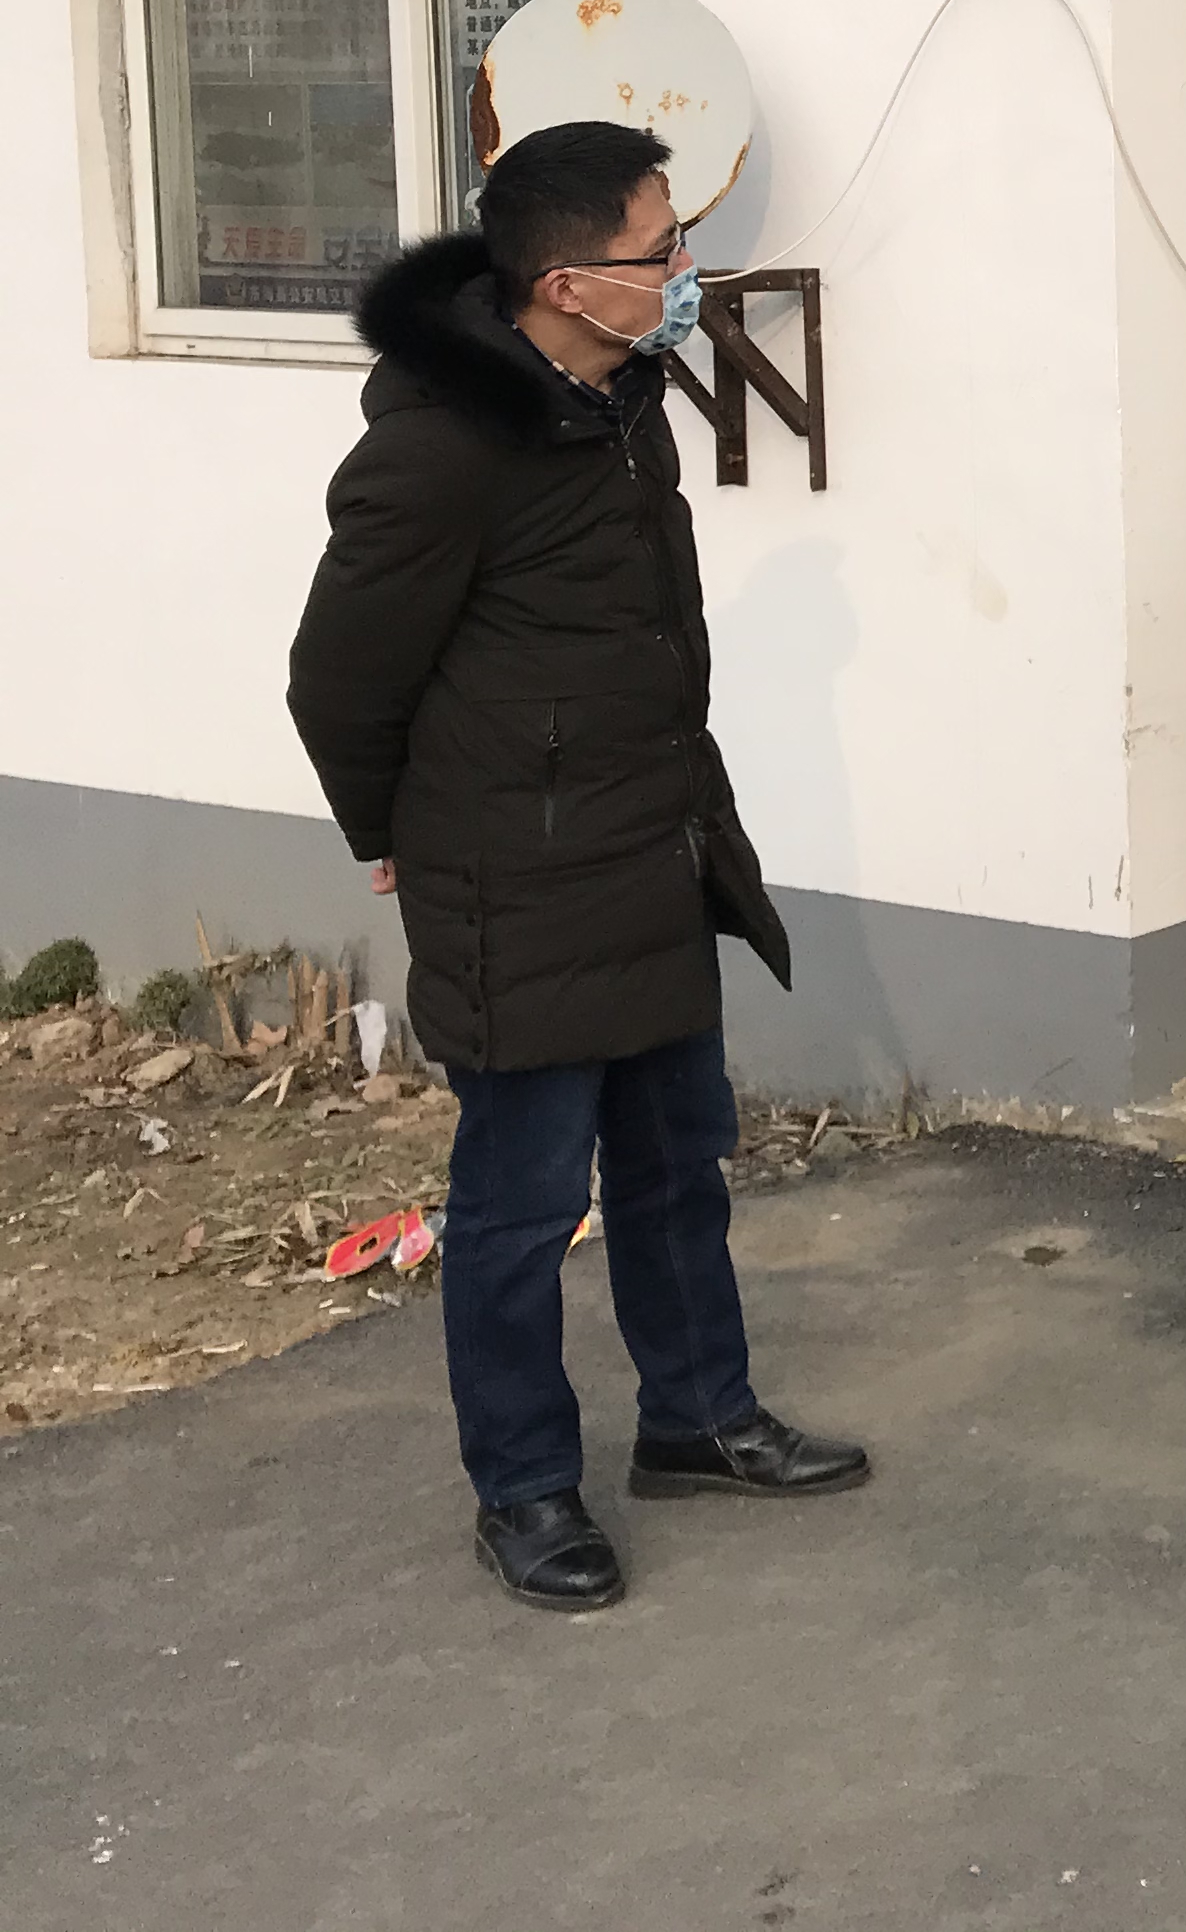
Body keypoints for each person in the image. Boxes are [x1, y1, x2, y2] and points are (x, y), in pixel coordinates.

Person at [286, 121, 866, 1614]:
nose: (686, 271)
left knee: (678, 1170)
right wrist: (385, 834)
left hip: (654, 850)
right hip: (519, 883)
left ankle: (700, 1419)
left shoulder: (621, 405)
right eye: (661, 251)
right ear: (564, 284)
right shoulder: (437, 454)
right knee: (522, 1209)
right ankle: (526, 1489)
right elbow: (338, 679)